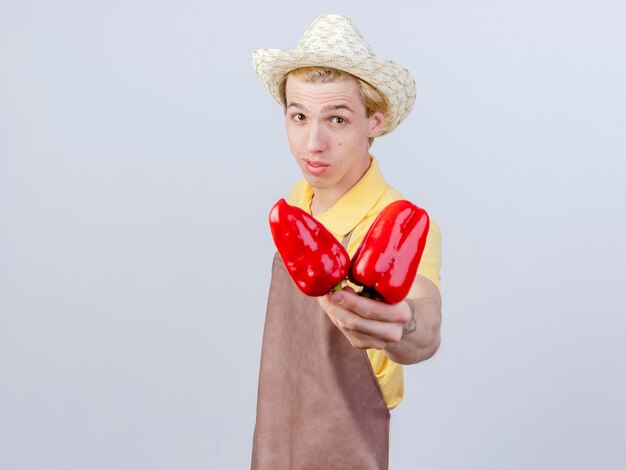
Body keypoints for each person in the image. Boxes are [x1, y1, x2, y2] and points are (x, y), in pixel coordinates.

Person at [251, 14, 442, 470]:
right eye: (299, 116)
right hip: (276, 430)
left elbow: (425, 323)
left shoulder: (399, 223)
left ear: (374, 122)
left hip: (346, 443)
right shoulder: (298, 201)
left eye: (337, 118)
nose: (312, 143)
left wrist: (404, 323)